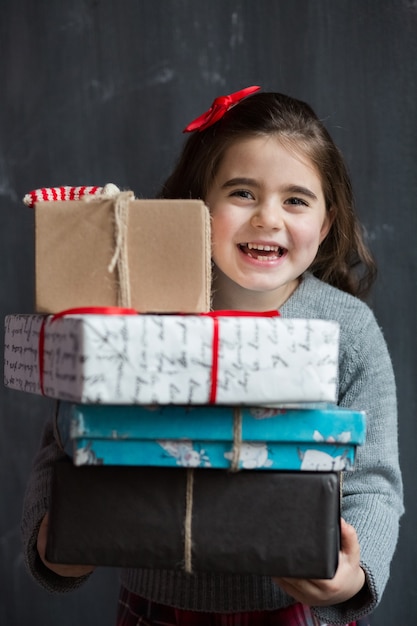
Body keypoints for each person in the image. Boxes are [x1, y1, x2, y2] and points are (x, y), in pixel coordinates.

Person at [22, 87, 404, 626]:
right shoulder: (140, 318)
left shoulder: (349, 329)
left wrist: (353, 577)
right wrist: (53, 542)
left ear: (325, 223)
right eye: (242, 193)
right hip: (156, 604)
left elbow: (373, 480)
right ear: (196, 207)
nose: (268, 218)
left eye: (295, 200)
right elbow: (62, 444)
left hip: (294, 607)